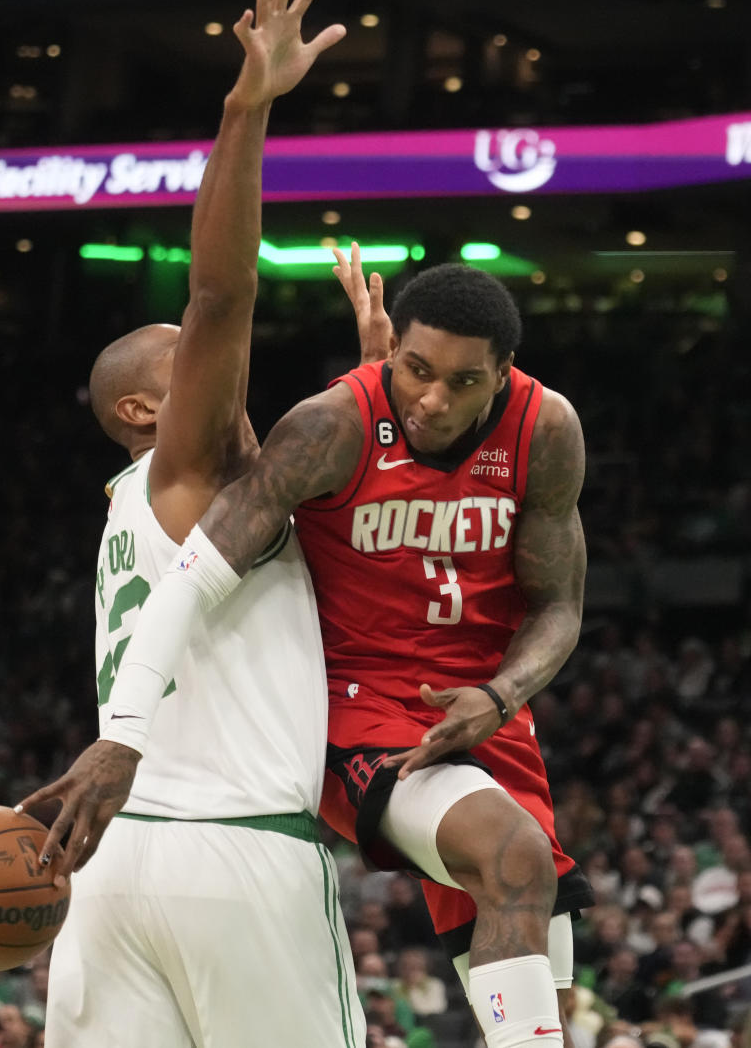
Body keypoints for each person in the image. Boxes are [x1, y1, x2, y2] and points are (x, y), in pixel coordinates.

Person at [62, 245, 597, 1048]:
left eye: (461, 380)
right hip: (360, 707)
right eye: (415, 370)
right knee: (513, 856)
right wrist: (120, 736)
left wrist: (499, 696)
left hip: (484, 706)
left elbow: (559, 605)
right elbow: (190, 576)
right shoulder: (323, 428)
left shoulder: (545, 427)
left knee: (543, 994)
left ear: (503, 372)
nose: (433, 397)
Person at [18, 0, 365, 1048]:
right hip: (237, 857)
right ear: (138, 413)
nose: (220, 375)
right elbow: (221, 291)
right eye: (185, 366)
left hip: (117, 871)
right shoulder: (188, 469)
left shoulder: (133, 512)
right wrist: (245, 111)